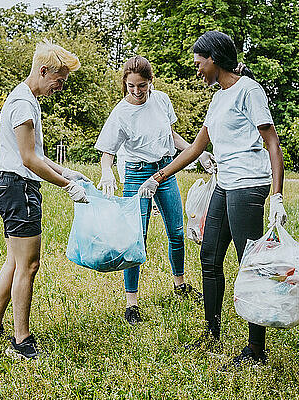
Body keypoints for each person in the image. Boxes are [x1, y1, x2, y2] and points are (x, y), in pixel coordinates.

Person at [137, 31, 287, 367]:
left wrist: (276, 195)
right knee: (209, 256)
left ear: (214, 60)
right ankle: (212, 332)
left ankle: (256, 350)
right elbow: (194, 148)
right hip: (224, 182)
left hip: (248, 185)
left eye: (199, 63)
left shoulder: (249, 91)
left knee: (250, 264)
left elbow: (273, 145)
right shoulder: (218, 98)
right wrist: (157, 177)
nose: (197, 70)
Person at [0, 39, 90, 360]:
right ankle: (21, 341)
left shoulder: (25, 99)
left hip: (9, 186)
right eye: (59, 80)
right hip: (19, 189)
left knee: (15, 261)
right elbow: (28, 159)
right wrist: (67, 185)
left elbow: (37, 155)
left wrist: (68, 171)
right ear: (43, 71)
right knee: (29, 265)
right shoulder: (24, 104)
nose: (60, 86)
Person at [94, 55, 216, 325]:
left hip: (166, 170)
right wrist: (107, 171)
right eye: (131, 87)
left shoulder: (161, 100)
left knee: (176, 231)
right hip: (137, 175)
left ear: (151, 82)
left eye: (142, 86)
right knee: (136, 238)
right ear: (125, 85)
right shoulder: (120, 113)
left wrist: (197, 153)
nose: (137, 92)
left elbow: (170, 136)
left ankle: (180, 284)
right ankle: (132, 303)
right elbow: (107, 151)